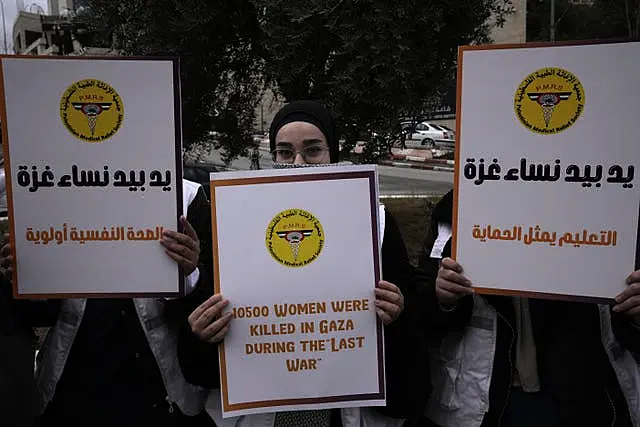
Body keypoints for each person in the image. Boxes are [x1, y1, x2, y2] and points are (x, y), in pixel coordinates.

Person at [177, 100, 432, 427]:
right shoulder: (236, 222)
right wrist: (200, 333)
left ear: (333, 154)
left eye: (312, 150)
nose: (297, 163)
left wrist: (397, 315)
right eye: (284, 152)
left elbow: (409, 341)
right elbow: (203, 355)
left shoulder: (375, 223)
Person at [0, 179, 214, 427]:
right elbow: (36, 315)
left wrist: (189, 274)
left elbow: (209, 304)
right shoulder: (51, 188)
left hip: (160, 391)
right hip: (73, 385)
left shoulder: (187, 198)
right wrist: (24, 279)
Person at [419, 189, 640, 427]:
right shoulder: (456, 208)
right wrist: (443, 298)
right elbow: (423, 310)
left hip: (586, 392)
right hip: (484, 397)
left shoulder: (614, 201)